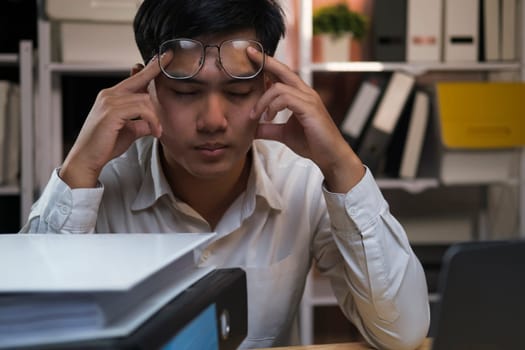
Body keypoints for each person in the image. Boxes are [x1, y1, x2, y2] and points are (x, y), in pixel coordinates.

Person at [21, 0, 430, 348]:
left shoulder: (301, 181)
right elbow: (24, 332)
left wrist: (342, 164)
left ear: (268, 87)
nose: (214, 120)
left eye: (237, 92)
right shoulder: (98, 186)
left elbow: (403, 334)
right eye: (185, 92)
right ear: (145, 90)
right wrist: (77, 171)